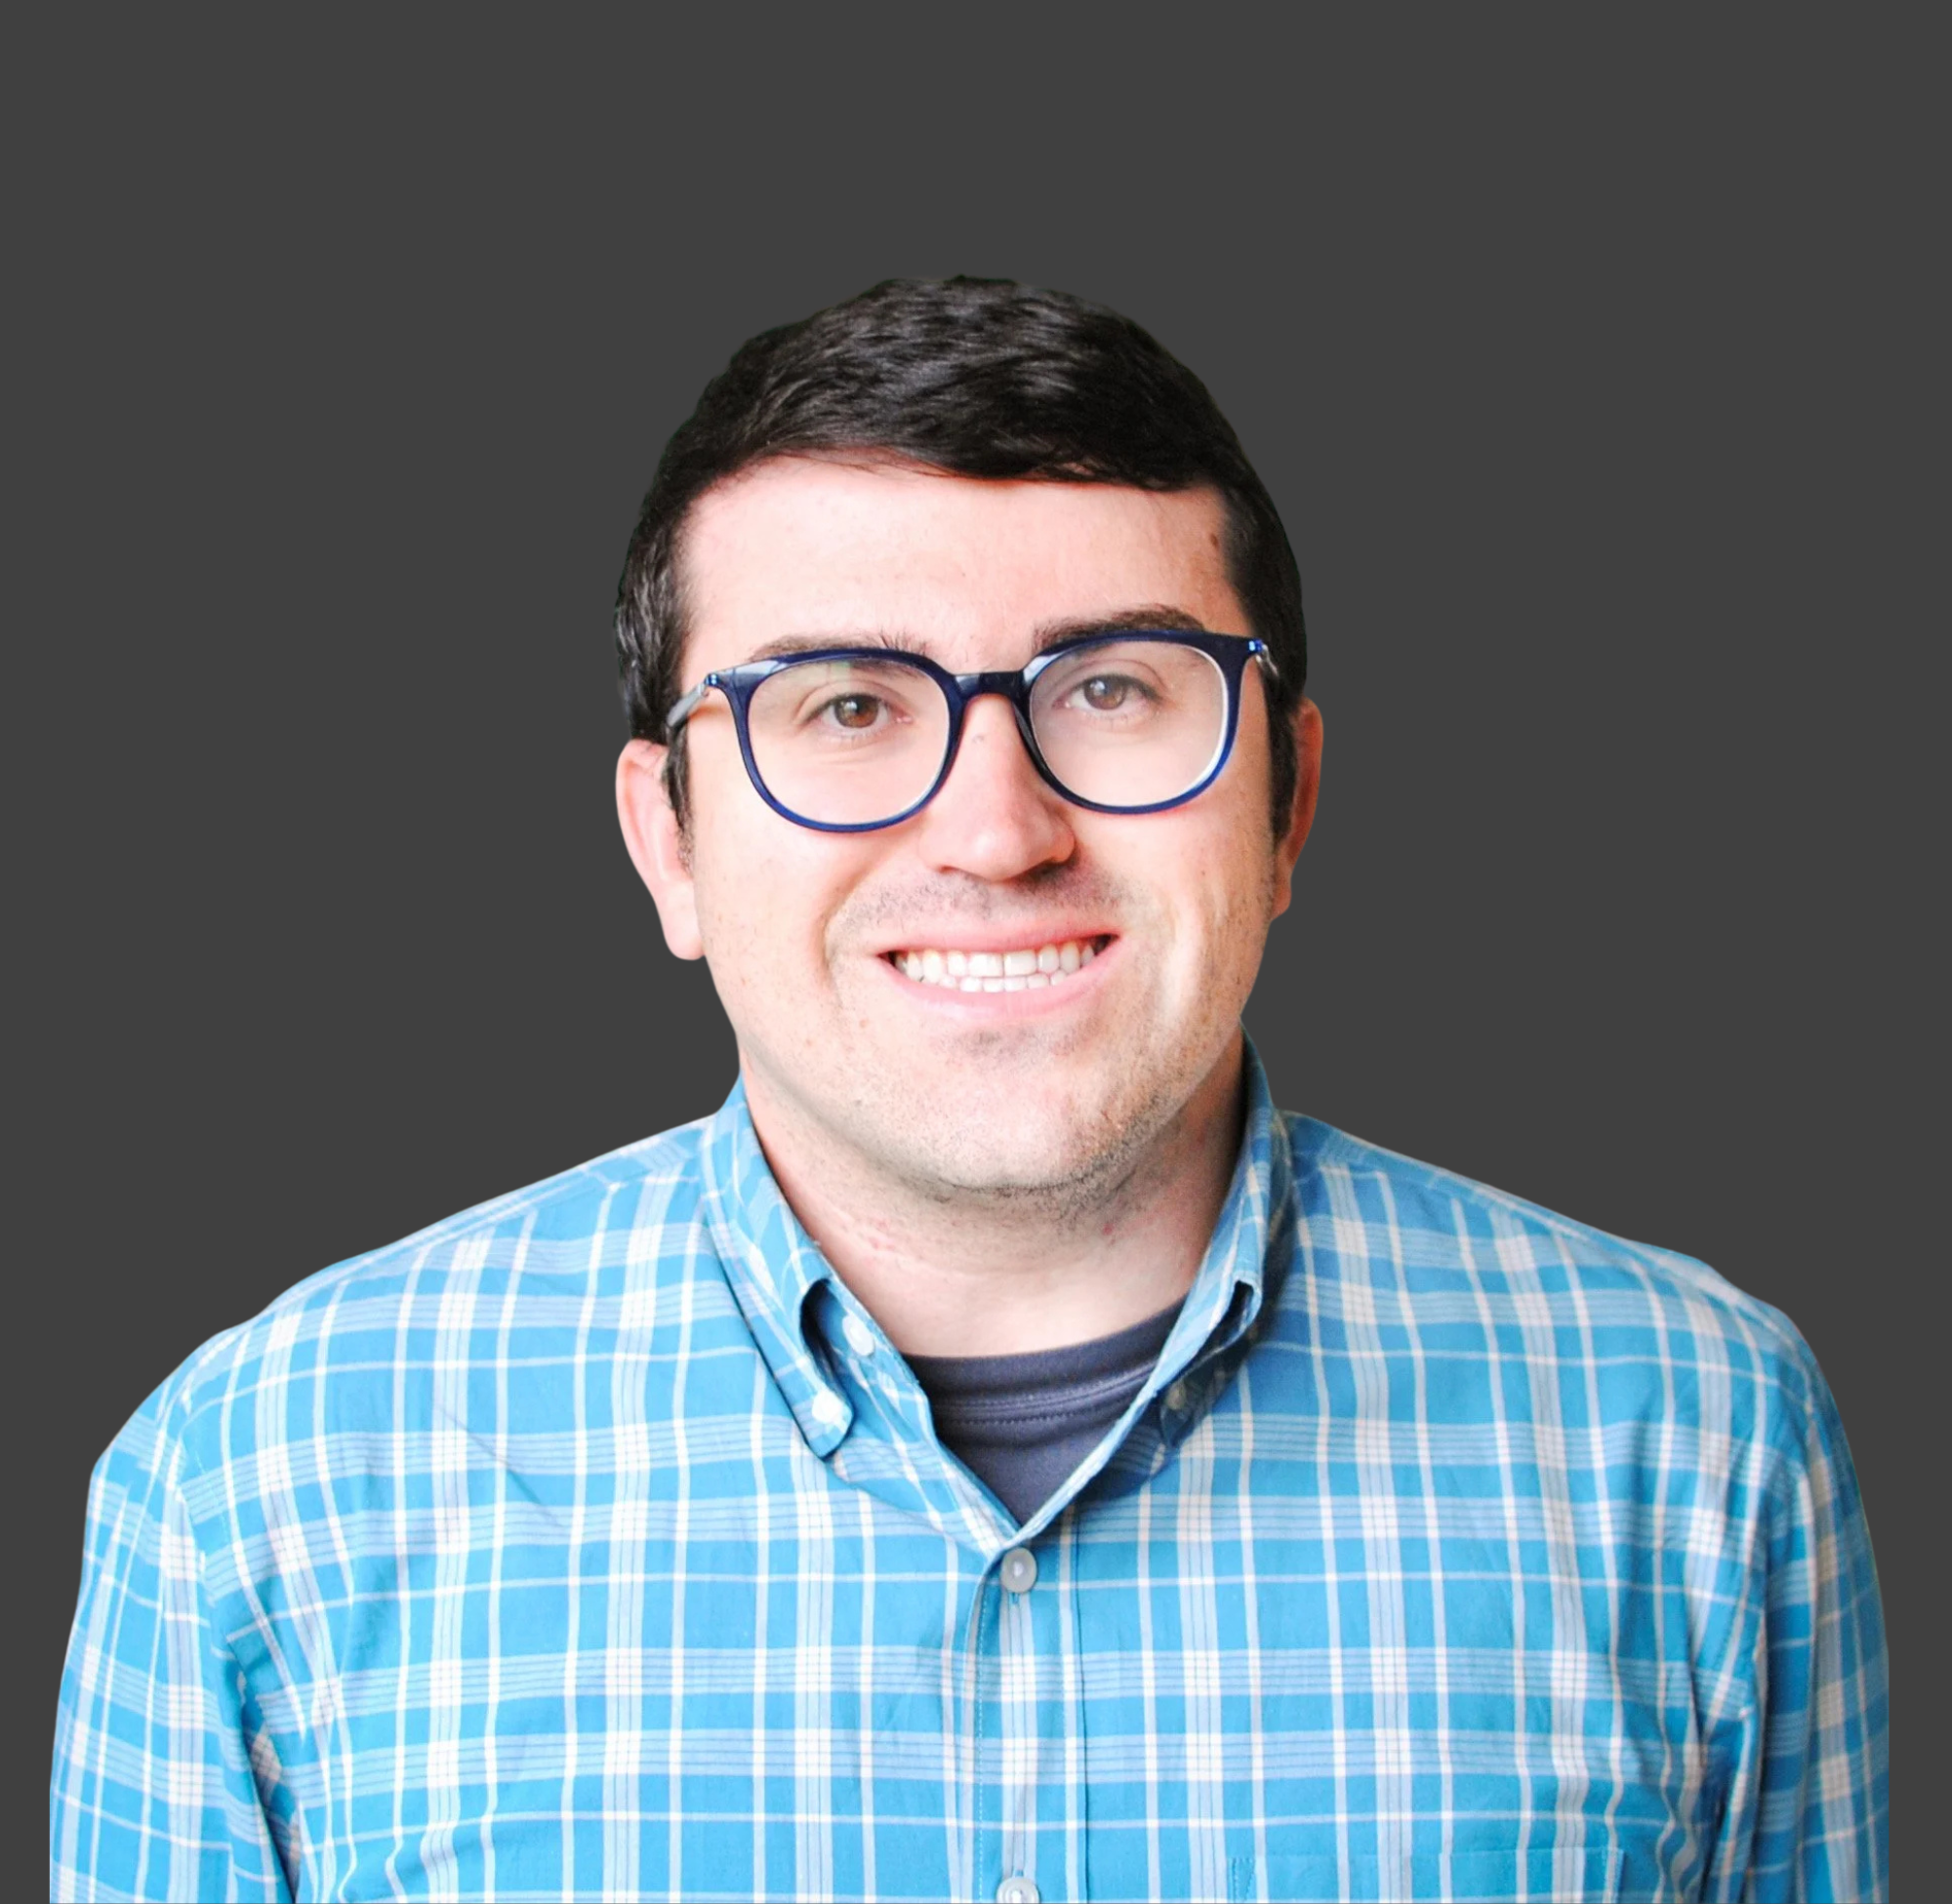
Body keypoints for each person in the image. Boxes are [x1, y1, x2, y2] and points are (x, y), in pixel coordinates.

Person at [52, 278, 1887, 1903]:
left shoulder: (1696, 1441)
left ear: (1291, 803)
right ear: (668, 846)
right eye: (847, 707)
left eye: (1114, 691)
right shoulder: (262, 1485)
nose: (998, 831)